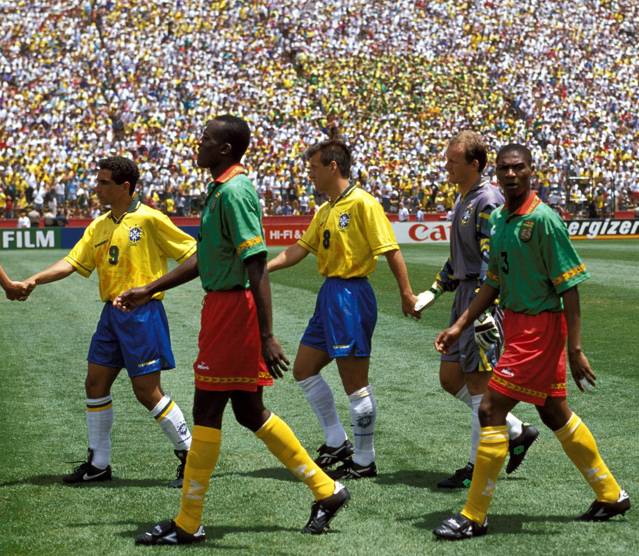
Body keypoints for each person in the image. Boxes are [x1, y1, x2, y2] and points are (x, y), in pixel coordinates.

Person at [115, 116, 349, 545]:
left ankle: (188, 521)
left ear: (224, 149)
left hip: (233, 313)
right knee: (246, 410)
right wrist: (150, 288)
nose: (198, 143)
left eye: (205, 139)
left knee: (207, 409)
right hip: (223, 308)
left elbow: (256, 263)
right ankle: (327, 489)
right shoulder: (222, 189)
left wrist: (265, 334)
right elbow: (206, 257)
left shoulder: (236, 192)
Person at [432, 144, 630, 540]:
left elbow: (570, 287)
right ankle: (611, 494)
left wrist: (574, 349)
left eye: (518, 168)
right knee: (554, 413)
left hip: (539, 331)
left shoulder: (543, 220)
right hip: (520, 327)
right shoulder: (503, 219)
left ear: (530, 171)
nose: (510, 175)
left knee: (490, 409)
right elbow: (493, 282)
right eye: (505, 169)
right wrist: (460, 325)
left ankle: (474, 514)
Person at [19, 156, 194, 487]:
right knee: (95, 384)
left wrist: (152, 288)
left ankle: (190, 455)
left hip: (142, 315)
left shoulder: (151, 219)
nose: (96, 187)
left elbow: (194, 255)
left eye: (103, 182)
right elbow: (72, 263)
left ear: (124, 187)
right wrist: (34, 281)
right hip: (110, 316)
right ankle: (99, 464)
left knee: (147, 392)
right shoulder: (98, 225)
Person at [267, 139, 418, 480]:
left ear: (333, 166)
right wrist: (265, 268)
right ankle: (337, 441)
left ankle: (365, 460)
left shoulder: (363, 203)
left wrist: (406, 294)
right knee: (304, 369)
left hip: (352, 296)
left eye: (314, 169)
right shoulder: (325, 209)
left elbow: (391, 250)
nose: (310, 176)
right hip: (329, 296)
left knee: (355, 384)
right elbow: (299, 249)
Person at [414, 131, 538, 489]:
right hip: (463, 295)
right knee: (450, 379)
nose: (447, 166)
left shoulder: (486, 200)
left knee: (479, 385)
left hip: (481, 299)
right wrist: (434, 291)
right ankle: (516, 430)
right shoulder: (464, 199)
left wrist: (485, 309)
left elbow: (490, 260)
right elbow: (459, 259)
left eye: (453, 160)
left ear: (474, 164)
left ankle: (475, 466)